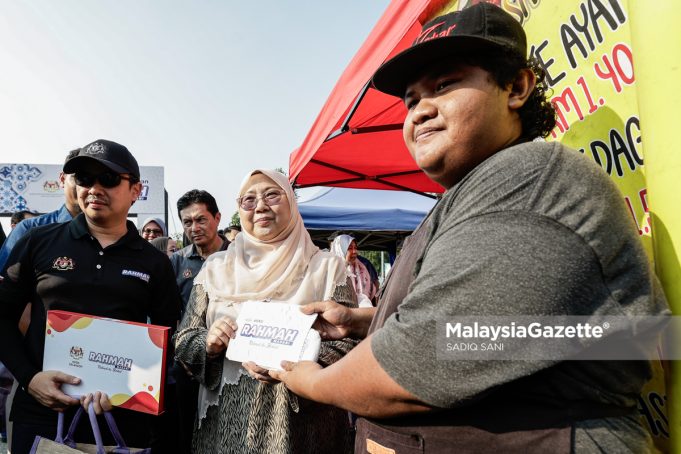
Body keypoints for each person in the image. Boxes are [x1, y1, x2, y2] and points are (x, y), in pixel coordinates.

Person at [270, 3, 669, 452]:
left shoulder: (529, 178)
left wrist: (311, 381)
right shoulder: (475, 189)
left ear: (516, 87)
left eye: (444, 85)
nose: (420, 112)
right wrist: (359, 321)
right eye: (412, 100)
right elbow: (509, 332)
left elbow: (422, 359)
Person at [0, 139, 182, 454]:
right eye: (85, 179)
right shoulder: (37, 242)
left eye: (109, 179)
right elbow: (1, 316)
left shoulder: (154, 263)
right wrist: (30, 380)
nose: (94, 188)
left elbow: (168, 338)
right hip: (41, 412)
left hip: (120, 419)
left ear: (136, 191)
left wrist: (131, 390)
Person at [174, 169, 357, 454]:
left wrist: (299, 364)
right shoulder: (216, 268)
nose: (259, 206)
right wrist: (208, 343)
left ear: (292, 203)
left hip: (301, 424)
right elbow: (184, 340)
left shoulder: (327, 268)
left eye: (272, 195)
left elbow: (350, 343)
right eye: (248, 200)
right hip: (225, 424)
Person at [168, 189, 229, 453]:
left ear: (217, 218)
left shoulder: (238, 257)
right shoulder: (176, 262)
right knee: (186, 433)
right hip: (186, 365)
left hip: (229, 363)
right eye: (187, 222)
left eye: (201, 219)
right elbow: (170, 313)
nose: (194, 227)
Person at [0, 149, 82, 272]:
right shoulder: (28, 230)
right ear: (62, 179)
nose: (86, 186)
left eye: (96, 179)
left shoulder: (114, 235)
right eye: (79, 178)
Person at [330, 235, 376, 308]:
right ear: (340, 250)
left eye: (355, 248)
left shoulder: (362, 269)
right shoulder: (331, 270)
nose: (354, 252)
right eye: (350, 248)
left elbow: (372, 294)